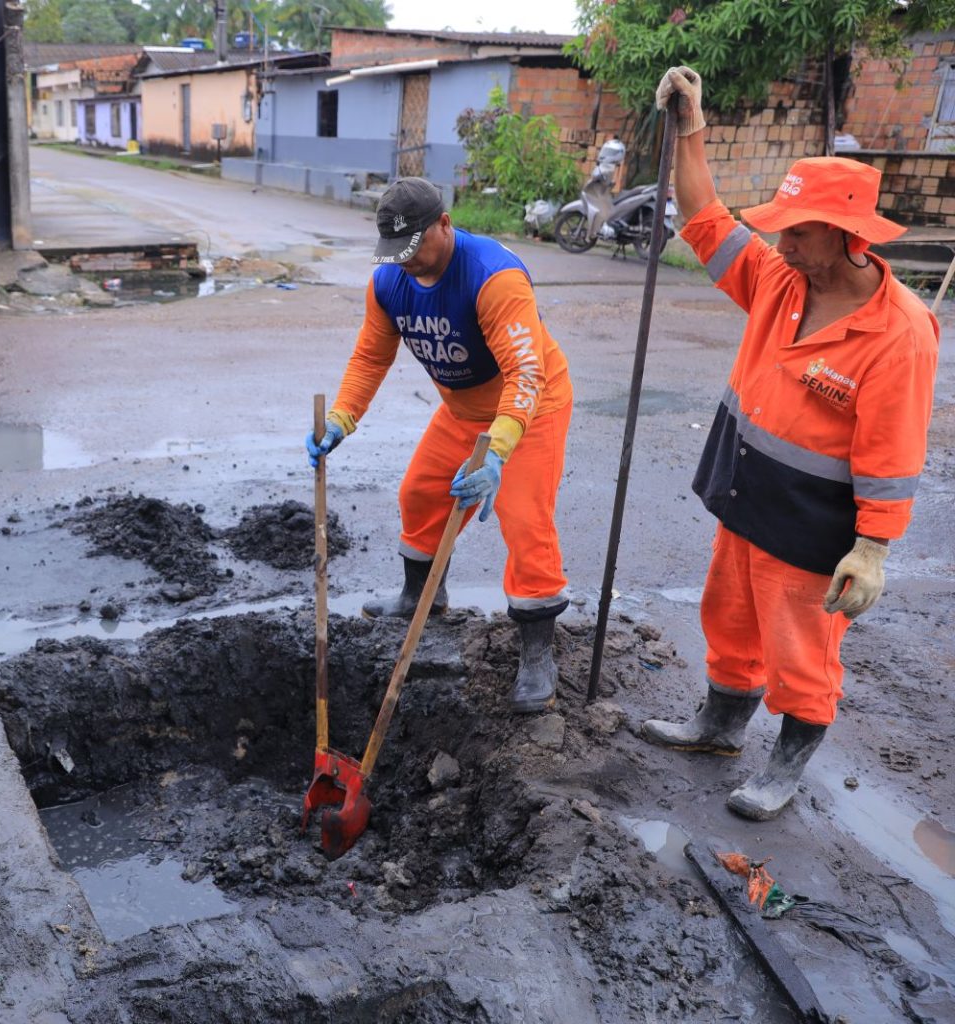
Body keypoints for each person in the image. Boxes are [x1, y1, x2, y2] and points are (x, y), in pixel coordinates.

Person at [640, 68, 939, 820]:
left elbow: (894, 452)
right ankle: (718, 726)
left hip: (813, 523)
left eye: (798, 230)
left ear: (847, 236)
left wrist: (872, 549)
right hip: (744, 492)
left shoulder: (897, 333)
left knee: (801, 650)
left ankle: (787, 762)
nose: (781, 240)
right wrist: (690, 128)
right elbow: (704, 216)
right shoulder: (780, 279)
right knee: (729, 618)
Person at [306, 177, 574, 713]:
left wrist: (497, 452)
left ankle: (537, 654)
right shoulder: (388, 282)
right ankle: (420, 598)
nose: (408, 263)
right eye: (396, 253)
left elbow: (526, 374)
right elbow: (369, 358)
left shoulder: (493, 278)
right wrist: (342, 418)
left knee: (525, 523)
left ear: (445, 224)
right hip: (461, 408)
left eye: (414, 249)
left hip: (530, 410)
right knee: (420, 494)